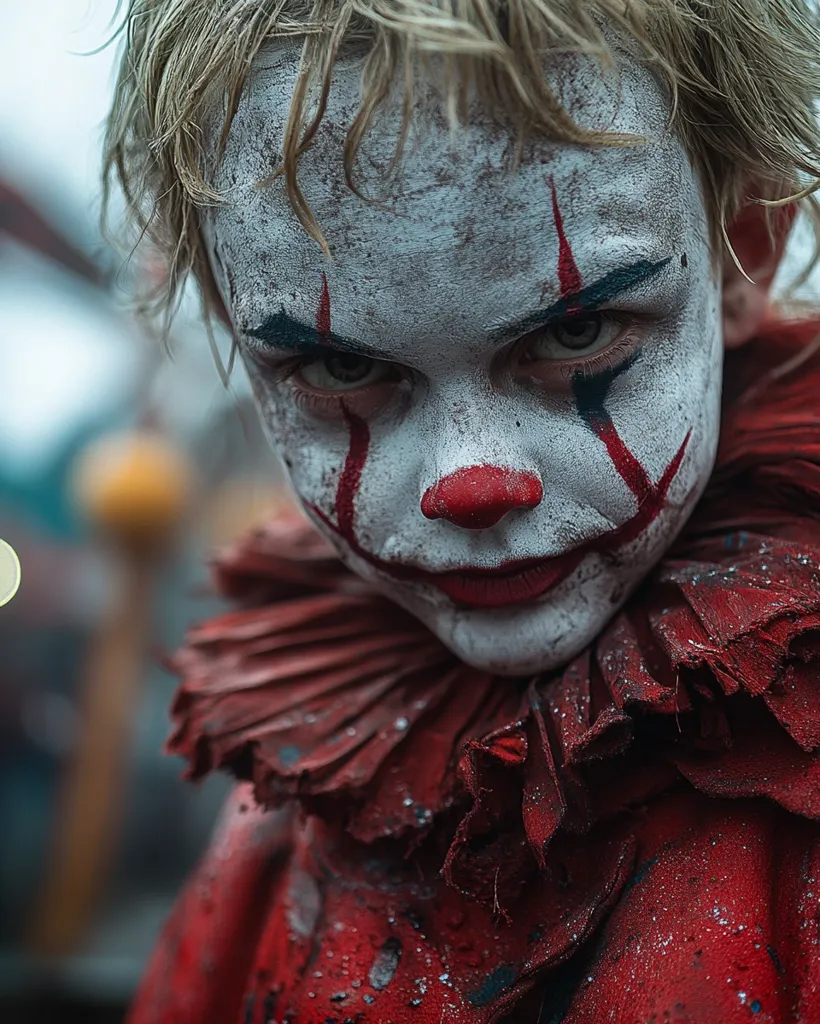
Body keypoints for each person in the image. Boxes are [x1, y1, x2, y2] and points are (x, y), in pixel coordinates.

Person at [105, 2, 820, 1020]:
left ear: (742, 250)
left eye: (578, 330)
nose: (471, 483)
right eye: (341, 364)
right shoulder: (298, 780)